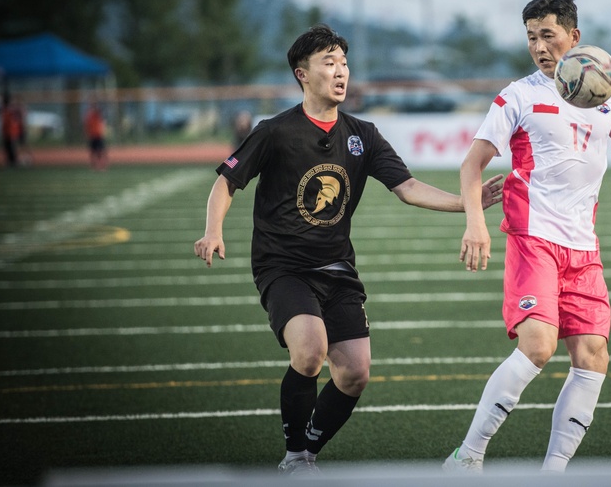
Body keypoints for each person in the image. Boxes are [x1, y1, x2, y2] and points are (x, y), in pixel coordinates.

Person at [193, 24, 503, 476]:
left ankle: (309, 451)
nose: (341, 72)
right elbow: (227, 181)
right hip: (283, 267)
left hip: (337, 268)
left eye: (343, 63)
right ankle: (295, 457)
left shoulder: (363, 134)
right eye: (328, 63)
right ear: (302, 74)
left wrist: (465, 203)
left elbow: (408, 186)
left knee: (355, 373)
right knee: (310, 350)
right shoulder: (274, 131)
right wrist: (213, 229)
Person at [443, 0, 611, 473]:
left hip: (583, 246)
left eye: (548, 35)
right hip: (533, 237)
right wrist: (476, 223)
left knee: (593, 355)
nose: (539, 46)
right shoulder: (519, 95)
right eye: (531, 37)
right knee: (537, 346)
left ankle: (553, 474)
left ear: (574, 37)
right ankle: (467, 456)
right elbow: (472, 166)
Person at [0, 92, 22, 167]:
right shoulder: (8, 109)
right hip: (8, 132)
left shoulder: (8, 109)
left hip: (10, 132)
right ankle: (11, 161)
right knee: (8, 147)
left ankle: (13, 162)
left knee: (11, 147)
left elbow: (11, 121)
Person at [84, 102, 108, 171]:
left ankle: (103, 166)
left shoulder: (97, 114)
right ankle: (94, 166)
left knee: (101, 151)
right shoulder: (89, 115)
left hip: (98, 135)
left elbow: (101, 111)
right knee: (93, 152)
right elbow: (87, 126)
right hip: (92, 136)